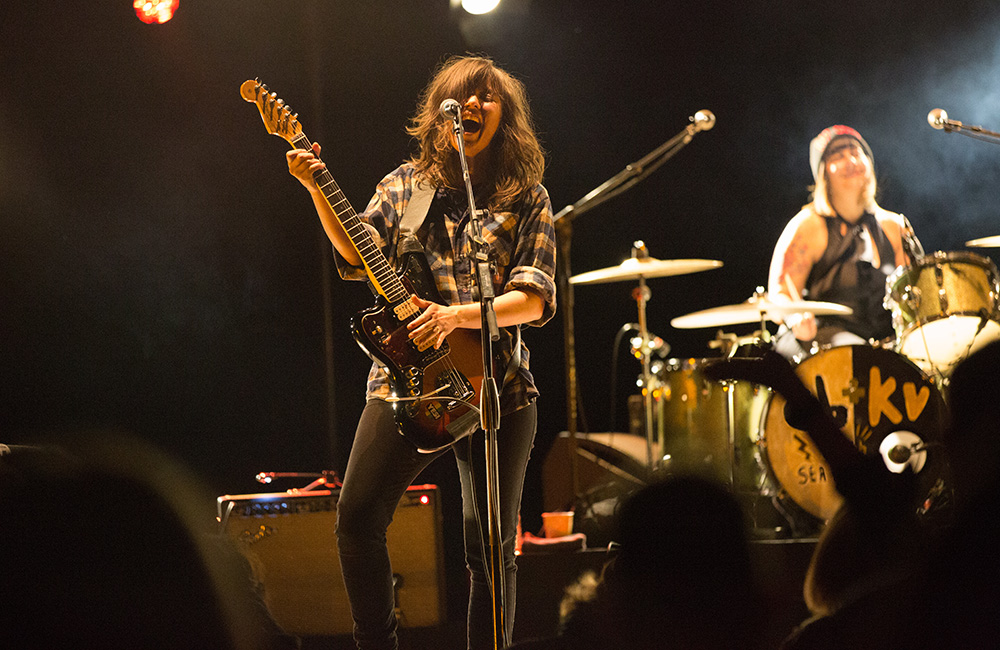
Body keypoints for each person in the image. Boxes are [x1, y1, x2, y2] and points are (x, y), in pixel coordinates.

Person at [286, 55, 557, 650]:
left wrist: (454, 316)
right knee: (357, 518)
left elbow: (533, 299)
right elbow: (358, 256)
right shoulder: (405, 186)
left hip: (498, 389)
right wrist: (315, 187)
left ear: (505, 117)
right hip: (406, 382)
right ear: (440, 114)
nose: (474, 106)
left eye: (488, 98)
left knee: (485, 545)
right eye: (462, 97)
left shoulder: (527, 197)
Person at [767, 125, 914, 360]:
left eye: (856, 152)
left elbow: (914, 293)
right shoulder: (808, 225)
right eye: (838, 155)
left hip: (881, 343)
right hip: (821, 341)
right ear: (823, 173)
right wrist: (795, 317)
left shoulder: (894, 226)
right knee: (859, 359)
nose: (851, 160)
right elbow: (778, 295)